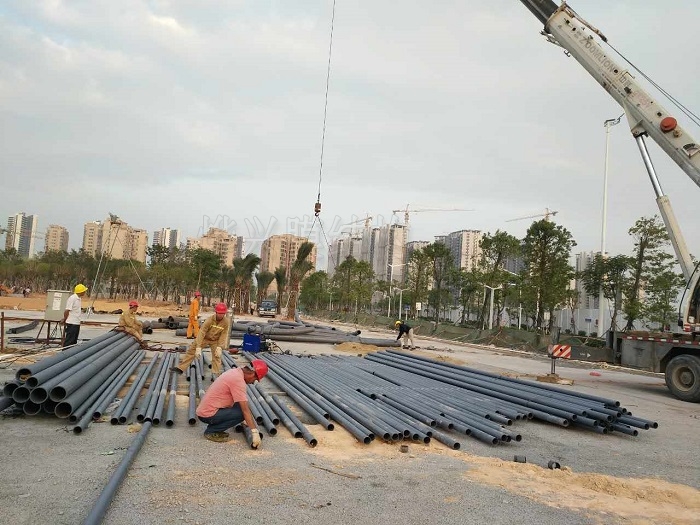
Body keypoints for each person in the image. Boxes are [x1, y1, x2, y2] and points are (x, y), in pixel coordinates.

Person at [196, 359, 269, 443]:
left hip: (206, 409)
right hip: (207, 414)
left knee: (240, 406)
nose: (253, 382)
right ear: (252, 374)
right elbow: (245, 411)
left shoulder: (235, 372)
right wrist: (254, 432)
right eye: (255, 379)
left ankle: (216, 425)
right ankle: (211, 431)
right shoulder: (238, 381)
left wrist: (248, 421)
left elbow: (241, 402)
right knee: (241, 413)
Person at [172, 302, 230, 377]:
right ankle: (180, 368)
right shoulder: (209, 320)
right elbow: (201, 332)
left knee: (217, 356)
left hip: (215, 340)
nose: (221, 315)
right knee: (191, 351)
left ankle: (215, 374)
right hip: (205, 338)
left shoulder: (226, 322)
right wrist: (198, 346)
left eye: (223, 313)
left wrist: (220, 346)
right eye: (219, 313)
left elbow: (224, 334)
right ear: (216, 312)